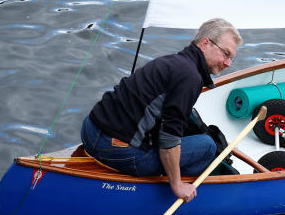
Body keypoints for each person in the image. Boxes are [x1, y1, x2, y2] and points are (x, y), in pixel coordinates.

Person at [80, 18, 241, 202]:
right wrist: (177, 184)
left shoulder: (171, 61)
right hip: (117, 152)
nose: (228, 63)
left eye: (231, 58)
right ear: (205, 43)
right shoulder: (190, 78)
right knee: (207, 146)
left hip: (90, 131)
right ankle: (173, 188)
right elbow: (168, 138)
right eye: (225, 54)